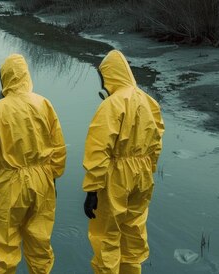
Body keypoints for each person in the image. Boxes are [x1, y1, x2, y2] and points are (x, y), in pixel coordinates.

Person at [0, 54, 67, 274]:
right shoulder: (44, 104)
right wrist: (52, 176)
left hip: (7, 185)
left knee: (4, 248)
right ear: (26, 76)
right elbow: (58, 146)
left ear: (4, 79)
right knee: (40, 243)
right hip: (42, 182)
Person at [82, 50, 165, 274]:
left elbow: (99, 149)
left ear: (109, 76)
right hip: (143, 175)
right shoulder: (149, 101)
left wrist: (92, 189)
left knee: (107, 236)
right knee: (133, 232)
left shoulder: (112, 104)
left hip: (117, 176)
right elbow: (157, 141)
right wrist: (148, 169)